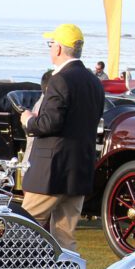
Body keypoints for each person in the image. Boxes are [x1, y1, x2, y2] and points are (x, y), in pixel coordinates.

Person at [17, 23, 104, 251]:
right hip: (79, 170)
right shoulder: (94, 81)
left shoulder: (60, 79)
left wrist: (28, 120)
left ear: (58, 49)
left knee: (22, 230)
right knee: (65, 239)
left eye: (51, 44)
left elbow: (49, 123)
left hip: (50, 171)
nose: (50, 49)